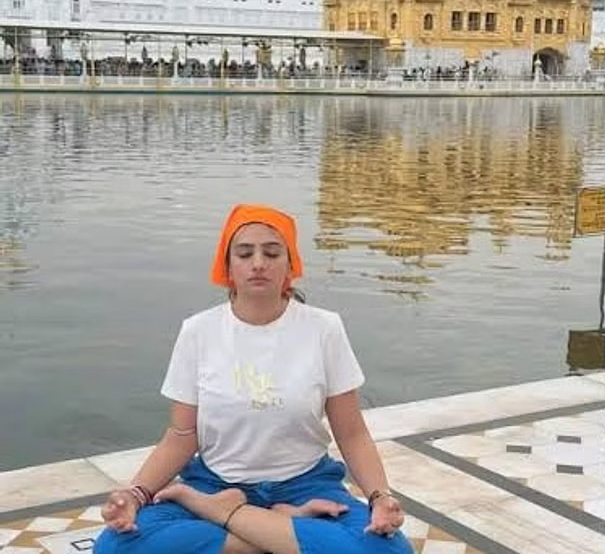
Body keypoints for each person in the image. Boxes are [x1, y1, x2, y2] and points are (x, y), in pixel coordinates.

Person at [95, 204, 412, 554]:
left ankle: (229, 516)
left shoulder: (323, 328)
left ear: (290, 265)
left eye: (272, 253)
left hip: (306, 485)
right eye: (245, 253)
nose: (258, 263)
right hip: (214, 482)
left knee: (388, 551)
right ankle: (285, 528)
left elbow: (351, 433)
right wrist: (136, 494)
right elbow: (181, 436)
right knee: (116, 547)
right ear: (227, 266)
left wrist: (380, 497)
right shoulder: (199, 331)